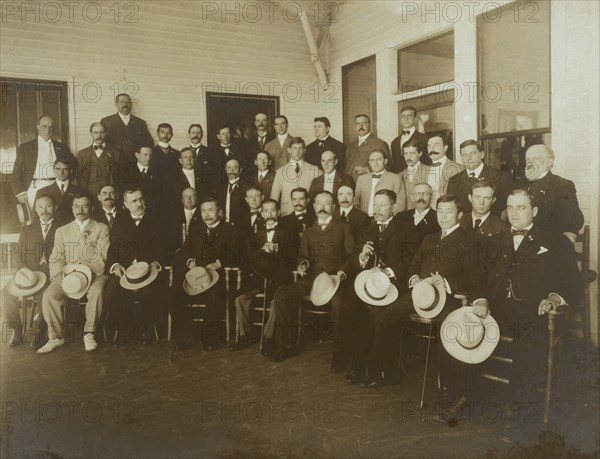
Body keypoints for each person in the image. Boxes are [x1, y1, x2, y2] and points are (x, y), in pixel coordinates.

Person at [484, 189, 582, 439]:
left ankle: (521, 421)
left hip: (534, 313)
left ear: (534, 211)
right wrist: (480, 298)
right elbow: (479, 275)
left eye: (522, 208)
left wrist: (553, 298)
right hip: (497, 310)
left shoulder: (555, 241)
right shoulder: (496, 240)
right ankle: (469, 400)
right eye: (511, 208)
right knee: (461, 327)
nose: (515, 214)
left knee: (525, 341)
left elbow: (572, 282)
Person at [361, 195, 487, 389]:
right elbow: (414, 266)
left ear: (460, 214)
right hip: (419, 295)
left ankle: (447, 388)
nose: (444, 216)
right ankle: (386, 371)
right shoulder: (430, 238)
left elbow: (474, 276)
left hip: (448, 299)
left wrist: (445, 282)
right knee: (383, 316)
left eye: (450, 211)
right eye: (441, 211)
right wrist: (414, 279)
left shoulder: (469, 241)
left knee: (448, 331)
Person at [264, 191, 354, 361]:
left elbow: (352, 256)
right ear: (313, 206)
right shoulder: (309, 232)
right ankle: (286, 344)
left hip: (335, 279)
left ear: (333, 207)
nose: (322, 207)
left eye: (327, 203)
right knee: (281, 295)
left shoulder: (344, 228)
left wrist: (343, 273)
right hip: (312, 278)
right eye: (319, 204)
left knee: (339, 303)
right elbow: (303, 257)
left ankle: (340, 352)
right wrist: (303, 265)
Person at [338, 190, 420, 378]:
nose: (377, 209)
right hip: (369, 284)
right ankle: (355, 359)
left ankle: (368, 365)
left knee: (376, 313)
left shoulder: (407, 229)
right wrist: (362, 257)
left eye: (383, 205)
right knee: (349, 307)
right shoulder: (367, 230)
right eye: (375, 205)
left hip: (395, 285)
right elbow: (356, 260)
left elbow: (410, 261)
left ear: (394, 207)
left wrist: (388, 273)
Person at [38, 192, 110, 354]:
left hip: (95, 274)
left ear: (91, 208)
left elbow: (101, 258)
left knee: (97, 291)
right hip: (68, 275)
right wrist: (59, 274)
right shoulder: (62, 231)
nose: (81, 209)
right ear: (72, 208)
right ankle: (55, 336)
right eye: (77, 206)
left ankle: (89, 333)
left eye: (85, 206)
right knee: (49, 294)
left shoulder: (101, 228)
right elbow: (56, 257)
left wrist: (82, 271)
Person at [168, 197, 238, 351]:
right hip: (195, 276)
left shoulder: (229, 230)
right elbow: (183, 252)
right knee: (173, 294)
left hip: (217, 277)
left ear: (220, 212)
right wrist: (190, 262)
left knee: (214, 296)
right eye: (204, 210)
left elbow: (236, 253)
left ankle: (210, 336)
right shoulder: (196, 230)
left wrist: (219, 263)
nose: (207, 214)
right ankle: (187, 333)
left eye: (211, 210)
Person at [232, 198, 299, 351]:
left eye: (273, 210)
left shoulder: (289, 233)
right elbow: (248, 257)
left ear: (279, 212)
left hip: (280, 279)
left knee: (275, 301)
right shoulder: (255, 235)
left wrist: (278, 248)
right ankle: (246, 335)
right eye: (266, 210)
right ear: (261, 213)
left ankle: (268, 337)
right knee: (240, 299)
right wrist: (261, 250)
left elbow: (294, 255)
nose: (270, 213)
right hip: (258, 279)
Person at [104, 188, 167, 346]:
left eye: (141, 199)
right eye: (134, 201)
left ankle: (146, 330)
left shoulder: (157, 220)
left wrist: (157, 262)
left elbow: (167, 247)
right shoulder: (120, 223)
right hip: (126, 271)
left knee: (148, 293)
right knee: (111, 292)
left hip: (149, 272)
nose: (139, 203)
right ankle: (123, 331)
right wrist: (116, 265)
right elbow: (113, 249)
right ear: (125, 205)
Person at [1, 194, 58, 348]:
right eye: (40, 207)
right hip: (28, 273)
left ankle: (41, 330)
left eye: (48, 206)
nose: (44, 210)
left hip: (50, 274)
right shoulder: (27, 229)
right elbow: (18, 253)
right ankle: (16, 329)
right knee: (5, 293)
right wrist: (22, 270)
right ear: (36, 209)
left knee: (45, 294)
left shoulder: (62, 227)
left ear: (55, 207)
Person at [10, 115, 76, 211]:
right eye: (44, 126)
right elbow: (16, 172)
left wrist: (66, 182)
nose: (48, 130)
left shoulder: (61, 147)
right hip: (35, 187)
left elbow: (74, 165)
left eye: (51, 127)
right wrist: (20, 192)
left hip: (56, 186)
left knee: (58, 217)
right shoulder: (26, 147)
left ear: (54, 129)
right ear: (38, 126)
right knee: (35, 220)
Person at [520, 144, 584, 239]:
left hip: (548, 243)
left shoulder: (562, 185)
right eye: (527, 159)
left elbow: (574, 220)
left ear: (549, 162)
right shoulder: (520, 186)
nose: (530, 162)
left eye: (536, 158)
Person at [447, 139, 507, 215]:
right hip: (463, 225)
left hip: (491, 225)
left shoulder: (500, 176)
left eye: (473, 153)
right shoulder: (454, 181)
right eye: (464, 155)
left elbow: (508, 206)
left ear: (482, 155)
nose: (468, 158)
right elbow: (450, 209)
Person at [270, 137, 322, 215]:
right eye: (294, 148)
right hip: (287, 212)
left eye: (300, 148)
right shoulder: (281, 171)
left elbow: (321, 193)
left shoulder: (314, 169)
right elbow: (274, 196)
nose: (297, 151)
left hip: (309, 212)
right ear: (289, 150)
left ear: (304, 150)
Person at [101, 93, 153, 164]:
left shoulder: (140, 123)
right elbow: (101, 143)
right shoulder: (107, 122)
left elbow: (148, 142)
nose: (125, 104)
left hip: (135, 164)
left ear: (131, 104)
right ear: (116, 104)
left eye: (128, 102)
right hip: (113, 163)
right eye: (122, 102)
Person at [353, 150, 404, 217]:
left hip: (386, 219)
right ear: (369, 163)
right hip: (364, 220)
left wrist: (391, 221)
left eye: (379, 159)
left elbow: (400, 204)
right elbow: (356, 202)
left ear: (385, 161)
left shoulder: (396, 178)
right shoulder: (362, 178)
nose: (376, 163)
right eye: (372, 160)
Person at [77, 122, 121, 197]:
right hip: (89, 193)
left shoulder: (115, 153)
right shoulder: (82, 154)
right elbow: (79, 177)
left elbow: (119, 177)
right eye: (95, 133)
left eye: (102, 132)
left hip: (108, 194)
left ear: (106, 133)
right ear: (91, 134)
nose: (99, 136)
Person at [344, 114, 391, 183]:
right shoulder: (350, 146)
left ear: (370, 125)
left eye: (364, 123)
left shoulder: (380, 144)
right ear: (355, 126)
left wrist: (367, 169)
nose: (361, 126)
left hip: (368, 184)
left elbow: (389, 166)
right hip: (349, 186)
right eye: (358, 124)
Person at [35, 159, 82, 226]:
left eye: (65, 169)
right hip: (51, 230)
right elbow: (35, 220)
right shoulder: (42, 192)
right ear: (54, 170)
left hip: (73, 229)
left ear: (70, 171)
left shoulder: (79, 191)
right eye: (58, 169)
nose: (61, 172)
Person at [393, 182, 440, 247]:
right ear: (412, 197)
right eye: (417, 194)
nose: (421, 197)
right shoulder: (400, 217)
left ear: (431, 197)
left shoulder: (438, 218)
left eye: (425, 194)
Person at [425, 133, 463, 207]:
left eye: (436, 145)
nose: (431, 149)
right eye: (429, 146)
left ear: (445, 148)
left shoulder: (459, 169)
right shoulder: (423, 169)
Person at [390, 105, 429, 172]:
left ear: (415, 119)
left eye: (409, 116)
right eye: (403, 116)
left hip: (419, 178)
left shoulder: (424, 139)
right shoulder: (394, 142)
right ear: (400, 120)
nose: (406, 119)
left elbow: (428, 162)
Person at [216, 159, 248, 228]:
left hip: (240, 227)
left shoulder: (246, 187)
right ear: (225, 169)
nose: (232, 170)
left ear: (240, 170)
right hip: (223, 226)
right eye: (229, 167)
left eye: (235, 167)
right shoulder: (221, 188)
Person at [399, 138, 429, 210]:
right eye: (406, 153)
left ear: (420, 153)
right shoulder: (399, 175)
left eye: (412, 153)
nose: (408, 157)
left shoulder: (430, 171)